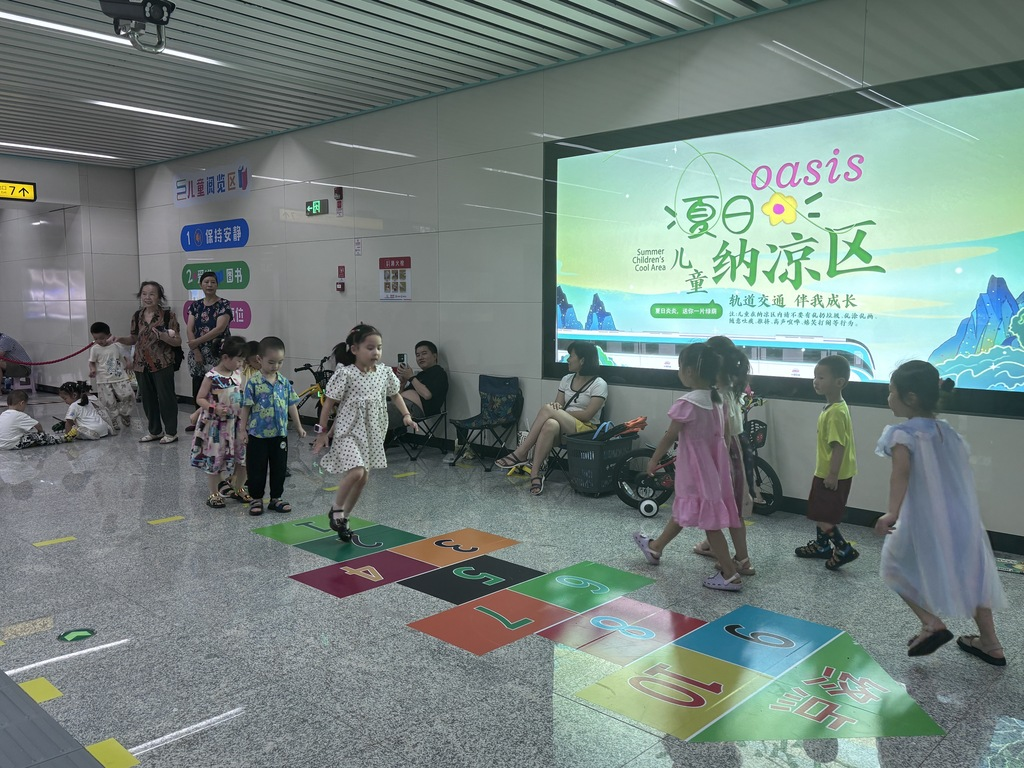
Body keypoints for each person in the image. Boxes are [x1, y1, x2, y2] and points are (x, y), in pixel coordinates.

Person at [874, 361, 1008, 664]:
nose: (888, 398)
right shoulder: (947, 432)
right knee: (972, 576)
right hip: (962, 521)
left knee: (893, 568)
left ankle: (931, 622)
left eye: (891, 392)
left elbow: (901, 474)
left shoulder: (901, 434)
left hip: (924, 521)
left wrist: (891, 512)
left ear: (910, 397)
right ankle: (991, 643)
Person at [631, 343, 745, 591]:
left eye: (680, 367)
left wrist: (654, 460)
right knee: (684, 510)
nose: (679, 371)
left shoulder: (687, 402)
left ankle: (730, 574)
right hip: (714, 471)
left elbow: (669, 436)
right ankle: (655, 548)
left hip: (694, 471)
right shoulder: (719, 401)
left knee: (711, 524)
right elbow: (724, 438)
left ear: (691, 371)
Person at [312, 324, 417, 541]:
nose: (375, 352)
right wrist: (323, 433)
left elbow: (396, 395)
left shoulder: (384, 373)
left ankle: (345, 518)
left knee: (363, 479)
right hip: (348, 431)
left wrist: (406, 415)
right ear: (354, 350)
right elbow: (329, 404)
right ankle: (336, 508)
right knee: (357, 471)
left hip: (373, 433)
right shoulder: (346, 374)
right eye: (370, 348)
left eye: (379, 347)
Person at [493, 340, 607, 496]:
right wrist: (556, 412)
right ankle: (535, 474)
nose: (567, 359)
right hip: (564, 430)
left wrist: (558, 412)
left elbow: (588, 415)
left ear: (582, 360)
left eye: (571, 356)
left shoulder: (599, 384)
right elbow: (557, 406)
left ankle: (521, 453)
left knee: (549, 410)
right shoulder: (567, 379)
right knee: (550, 424)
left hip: (585, 432)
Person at [691, 336, 754, 577]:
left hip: (726, 451)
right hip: (736, 449)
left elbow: (722, 431)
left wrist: (717, 462)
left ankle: (742, 560)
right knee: (727, 507)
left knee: (722, 506)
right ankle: (718, 548)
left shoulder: (716, 391)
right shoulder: (730, 383)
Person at [794, 355, 859, 570]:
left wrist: (832, 475)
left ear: (839, 382)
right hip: (829, 471)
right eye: (815, 376)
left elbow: (838, 446)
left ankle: (842, 548)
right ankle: (822, 546)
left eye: (821, 377)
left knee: (821, 514)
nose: (816, 381)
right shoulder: (835, 407)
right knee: (821, 510)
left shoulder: (836, 413)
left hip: (832, 474)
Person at [241, 336, 305, 516]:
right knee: (257, 467)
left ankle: (276, 497)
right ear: (259, 359)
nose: (275, 366)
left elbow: (291, 404)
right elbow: (246, 407)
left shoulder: (284, 382)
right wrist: (242, 430)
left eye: (280, 362)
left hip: (279, 434)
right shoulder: (253, 382)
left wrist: (299, 427)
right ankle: (256, 498)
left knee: (279, 467)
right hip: (257, 435)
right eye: (271, 362)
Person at [115, 281, 181, 444]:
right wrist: (118, 339)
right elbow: (134, 338)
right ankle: (155, 431)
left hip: (162, 362)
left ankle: (171, 432)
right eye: (144, 294)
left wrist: (165, 337)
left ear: (159, 297)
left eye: (152, 294)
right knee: (148, 399)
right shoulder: (137, 315)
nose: (147, 297)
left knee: (166, 398)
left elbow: (177, 341)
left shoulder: (168, 316)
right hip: (141, 363)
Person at [191, 336, 249, 508]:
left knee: (243, 457)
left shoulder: (238, 374)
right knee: (215, 458)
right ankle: (214, 493)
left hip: (236, 424)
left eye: (242, 361)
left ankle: (239, 487)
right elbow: (200, 398)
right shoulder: (212, 376)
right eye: (238, 360)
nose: (241, 364)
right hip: (216, 426)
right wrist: (212, 408)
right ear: (225, 358)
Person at [184, 272, 233, 431]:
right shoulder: (195, 305)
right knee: (198, 385)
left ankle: (217, 418)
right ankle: (198, 419)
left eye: (213, 282)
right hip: (197, 352)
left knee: (217, 386)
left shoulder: (224, 304)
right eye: (206, 282)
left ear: (217, 285)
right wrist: (196, 350)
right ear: (201, 285)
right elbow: (190, 328)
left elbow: (220, 329)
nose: (210, 285)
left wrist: (195, 342)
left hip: (217, 351)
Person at [386, 340, 448, 438]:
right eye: (417, 355)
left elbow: (427, 395)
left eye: (424, 353)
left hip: (414, 409)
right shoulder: (420, 375)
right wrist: (403, 384)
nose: (420, 357)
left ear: (435, 356)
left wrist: (411, 377)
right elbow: (402, 394)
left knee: (375, 413)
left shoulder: (438, 372)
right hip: (402, 405)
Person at [88, 321, 134, 432]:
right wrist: (93, 370)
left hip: (120, 377)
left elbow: (126, 355)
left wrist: (128, 362)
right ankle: (112, 419)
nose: (99, 341)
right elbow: (92, 361)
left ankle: (125, 414)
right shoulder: (95, 349)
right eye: (96, 338)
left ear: (109, 335)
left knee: (128, 395)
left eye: (102, 338)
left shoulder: (116, 345)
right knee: (108, 401)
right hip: (103, 379)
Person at [0, 390, 68, 449]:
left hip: (1, 444)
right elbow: (37, 425)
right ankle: (60, 439)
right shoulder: (20, 415)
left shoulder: (3, 414)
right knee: (38, 437)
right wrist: (41, 433)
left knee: (27, 435)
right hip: (12, 444)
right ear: (22, 403)